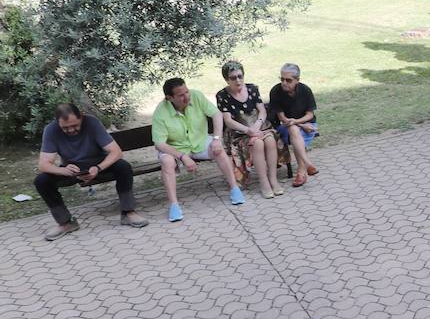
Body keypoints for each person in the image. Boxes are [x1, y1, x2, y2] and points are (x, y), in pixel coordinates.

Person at [33, 103, 148, 240]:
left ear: (81, 117)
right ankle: (66, 222)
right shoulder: (51, 130)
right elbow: (43, 164)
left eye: (74, 125)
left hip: (98, 166)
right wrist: (64, 171)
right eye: (65, 128)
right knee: (41, 181)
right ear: (57, 123)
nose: (70, 130)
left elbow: (116, 152)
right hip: (72, 171)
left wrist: (98, 168)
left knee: (123, 166)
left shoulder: (92, 123)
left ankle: (128, 213)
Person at [152, 77, 243, 221]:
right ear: (169, 98)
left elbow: (216, 114)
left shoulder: (196, 96)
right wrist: (183, 156)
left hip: (199, 141)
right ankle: (174, 205)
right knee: (167, 162)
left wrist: (217, 139)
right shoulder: (161, 111)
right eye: (181, 95)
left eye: (186, 91)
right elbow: (160, 144)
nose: (186, 96)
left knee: (218, 149)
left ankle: (234, 188)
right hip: (175, 147)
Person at [216, 61, 284, 199]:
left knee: (270, 140)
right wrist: (249, 131)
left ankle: (273, 179)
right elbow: (228, 120)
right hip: (240, 133)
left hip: (259, 127)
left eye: (240, 76)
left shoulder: (252, 89)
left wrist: (256, 127)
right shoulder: (222, 95)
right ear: (226, 79)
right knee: (257, 143)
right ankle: (264, 182)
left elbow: (262, 111)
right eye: (233, 78)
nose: (238, 80)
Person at [268, 64, 319, 189]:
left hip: (307, 124)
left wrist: (298, 123)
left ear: (297, 80)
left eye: (289, 80)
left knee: (295, 131)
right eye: (282, 79)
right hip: (284, 127)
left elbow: (310, 114)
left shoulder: (305, 90)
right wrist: (299, 124)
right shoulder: (276, 91)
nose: (284, 83)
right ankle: (306, 166)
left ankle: (302, 172)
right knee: (293, 129)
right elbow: (282, 118)